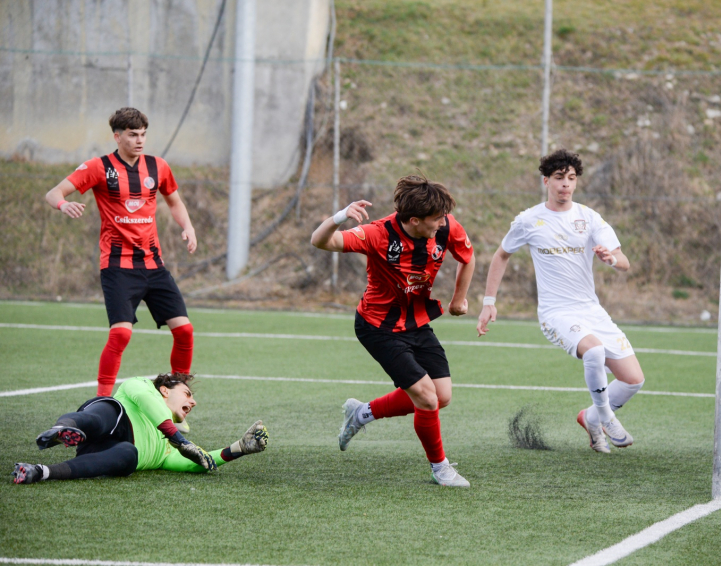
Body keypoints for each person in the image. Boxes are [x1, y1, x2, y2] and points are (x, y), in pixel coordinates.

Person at [310, 175, 475, 487]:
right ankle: (440, 468)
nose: (443, 224)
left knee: (442, 396)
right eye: (436, 219)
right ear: (414, 220)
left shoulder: (447, 226)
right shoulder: (377, 234)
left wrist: (457, 302)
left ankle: (361, 414)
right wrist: (339, 217)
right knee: (426, 398)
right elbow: (320, 241)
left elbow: (468, 258)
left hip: (416, 321)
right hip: (378, 327)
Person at [476, 149, 645, 453]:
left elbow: (624, 261)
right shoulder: (529, 220)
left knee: (633, 380)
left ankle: (590, 418)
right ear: (546, 182)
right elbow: (501, 256)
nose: (565, 184)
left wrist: (610, 258)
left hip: (591, 310)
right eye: (559, 178)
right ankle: (607, 417)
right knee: (593, 350)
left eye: (571, 178)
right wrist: (489, 301)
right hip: (556, 313)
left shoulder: (589, 218)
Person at [44, 107, 197, 399]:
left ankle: (179, 397)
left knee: (185, 331)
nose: (139, 140)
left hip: (154, 265)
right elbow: (54, 193)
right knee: (121, 334)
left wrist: (188, 227)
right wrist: (64, 205)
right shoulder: (98, 167)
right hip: (118, 267)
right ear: (117, 136)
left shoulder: (158, 166)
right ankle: (103, 402)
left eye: (143, 134)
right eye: (132, 134)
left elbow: (174, 202)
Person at [11, 373, 268, 484]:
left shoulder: (168, 448)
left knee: (129, 455)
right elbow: (149, 403)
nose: (193, 401)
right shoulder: (140, 387)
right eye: (187, 394)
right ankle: (61, 430)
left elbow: (196, 462)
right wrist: (178, 438)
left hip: (105, 451)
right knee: (106, 416)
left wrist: (239, 448)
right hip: (112, 419)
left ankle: (40, 472)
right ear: (165, 390)